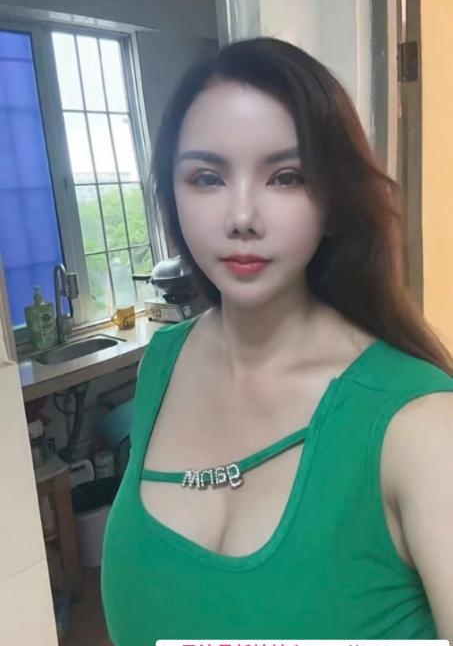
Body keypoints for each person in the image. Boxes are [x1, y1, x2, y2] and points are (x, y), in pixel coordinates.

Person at [101, 38, 453, 643]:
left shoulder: (421, 427)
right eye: (207, 177)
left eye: (286, 177)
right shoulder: (162, 363)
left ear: (334, 201)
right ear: (171, 196)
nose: (242, 216)